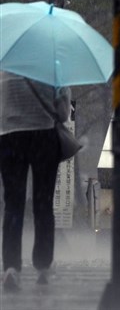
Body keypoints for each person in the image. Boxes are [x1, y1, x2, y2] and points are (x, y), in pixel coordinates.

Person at [0, 71, 71, 291]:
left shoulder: (3, 68)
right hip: (43, 136)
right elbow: (64, 112)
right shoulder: (52, 66)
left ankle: (11, 266)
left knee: (13, 204)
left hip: (10, 137)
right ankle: (42, 265)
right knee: (43, 203)